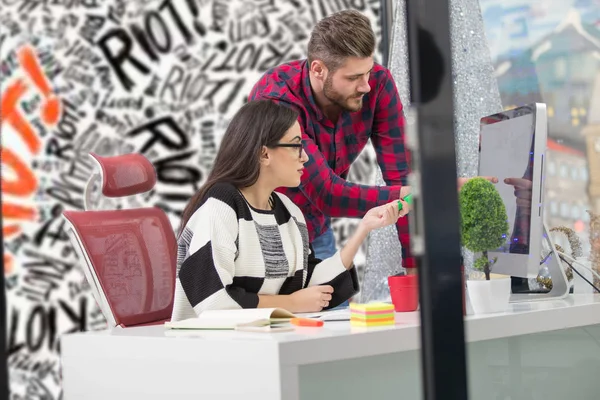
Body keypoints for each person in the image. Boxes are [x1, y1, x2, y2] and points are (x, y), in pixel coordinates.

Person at [249, 10, 490, 272]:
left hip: (316, 232)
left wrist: (415, 265)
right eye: (353, 78)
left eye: (368, 71)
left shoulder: (377, 85)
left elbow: (401, 177)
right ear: (318, 69)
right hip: (264, 235)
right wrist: (423, 193)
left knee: (335, 311)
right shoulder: (276, 100)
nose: (365, 85)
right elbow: (327, 194)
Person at [170, 100, 410, 321]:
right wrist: (291, 303)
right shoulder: (221, 205)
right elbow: (211, 302)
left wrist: (364, 228)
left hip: (266, 344)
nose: (305, 157)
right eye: (296, 146)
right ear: (264, 153)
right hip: (213, 352)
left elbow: (309, 286)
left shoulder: (289, 211)